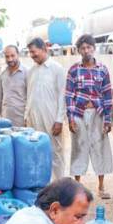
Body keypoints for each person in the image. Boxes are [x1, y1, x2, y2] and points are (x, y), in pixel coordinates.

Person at [66, 34, 113, 199]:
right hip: (79, 113)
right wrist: (71, 119)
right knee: (79, 147)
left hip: (98, 113)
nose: (86, 51)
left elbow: (107, 95)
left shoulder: (102, 69)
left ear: (94, 48)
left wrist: (108, 120)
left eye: (89, 47)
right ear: (78, 50)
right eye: (83, 48)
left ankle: (101, 186)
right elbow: (69, 95)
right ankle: (77, 187)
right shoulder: (74, 70)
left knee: (100, 147)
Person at [25, 37, 66, 180]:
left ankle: (60, 186)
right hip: (33, 119)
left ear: (44, 49)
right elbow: (29, 95)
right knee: (37, 152)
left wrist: (59, 120)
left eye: (34, 52)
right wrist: (26, 116)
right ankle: (44, 186)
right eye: (30, 53)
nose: (32, 55)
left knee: (55, 153)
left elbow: (62, 96)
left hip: (51, 119)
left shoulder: (57, 69)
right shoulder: (31, 71)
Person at [0, 45, 27, 127]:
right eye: (7, 56)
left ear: (18, 55)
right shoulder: (3, 74)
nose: (10, 59)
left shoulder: (27, 72)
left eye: (12, 56)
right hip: (5, 120)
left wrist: (28, 118)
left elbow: (31, 97)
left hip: (22, 120)